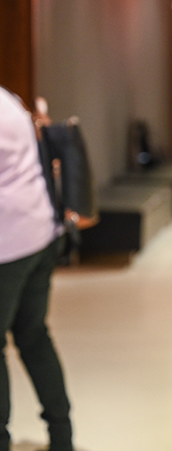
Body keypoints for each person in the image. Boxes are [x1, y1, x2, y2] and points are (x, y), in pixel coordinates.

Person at [0, 86, 73, 451]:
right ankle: (62, 435)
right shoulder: (9, 101)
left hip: (7, 245)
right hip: (40, 233)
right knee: (33, 335)